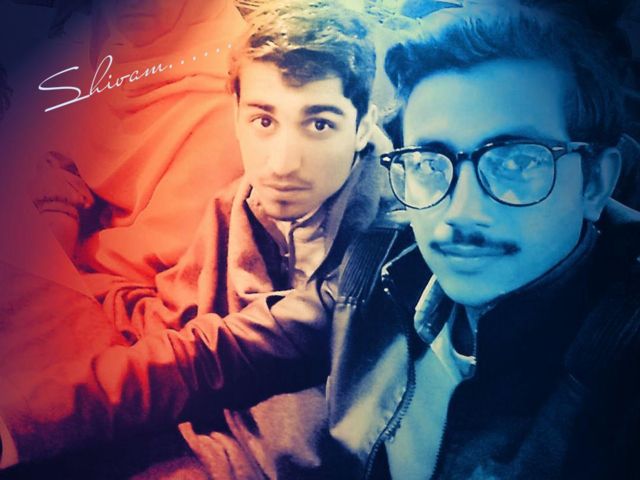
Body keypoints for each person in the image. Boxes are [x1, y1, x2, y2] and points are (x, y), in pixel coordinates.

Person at [2, 3, 638, 479]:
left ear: (595, 180)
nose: (460, 211)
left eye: (516, 160)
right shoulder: (388, 268)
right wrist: (17, 423)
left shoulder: (614, 367)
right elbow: (219, 353)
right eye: (431, 161)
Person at [0, 0, 384, 477]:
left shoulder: (374, 250)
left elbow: (212, 356)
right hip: (176, 383)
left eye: (319, 124)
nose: (284, 163)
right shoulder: (238, 201)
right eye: (264, 121)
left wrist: (24, 423)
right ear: (237, 116)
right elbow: (177, 315)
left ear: (364, 128)